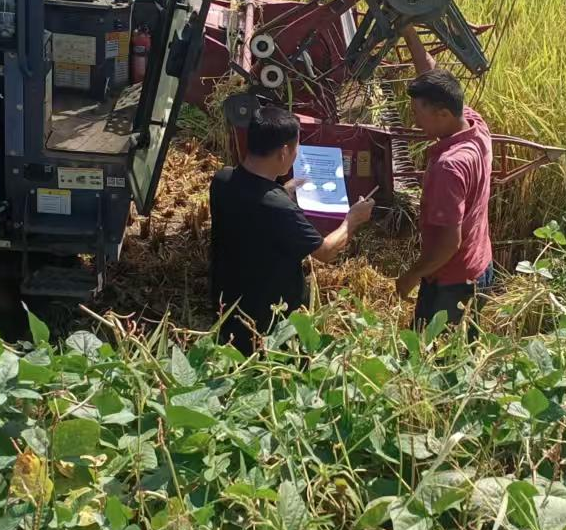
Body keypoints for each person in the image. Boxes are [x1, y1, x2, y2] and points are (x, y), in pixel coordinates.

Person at [210, 105, 374, 352]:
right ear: (284, 151)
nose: (296, 155)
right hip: (269, 322)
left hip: (229, 306)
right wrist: (352, 219)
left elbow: (252, 204)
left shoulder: (222, 180)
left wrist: (285, 189)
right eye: (296, 148)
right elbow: (326, 252)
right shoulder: (278, 208)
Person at [394, 68, 494, 338]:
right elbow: (430, 69)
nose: (415, 121)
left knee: (429, 355)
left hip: (451, 283)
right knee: (463, 350)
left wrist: (412, 275)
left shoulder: (449, 167)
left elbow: (450, 242)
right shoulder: (476, 126)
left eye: (418, 113)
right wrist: (412, 40)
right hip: (481, 267)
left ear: (443, 114)